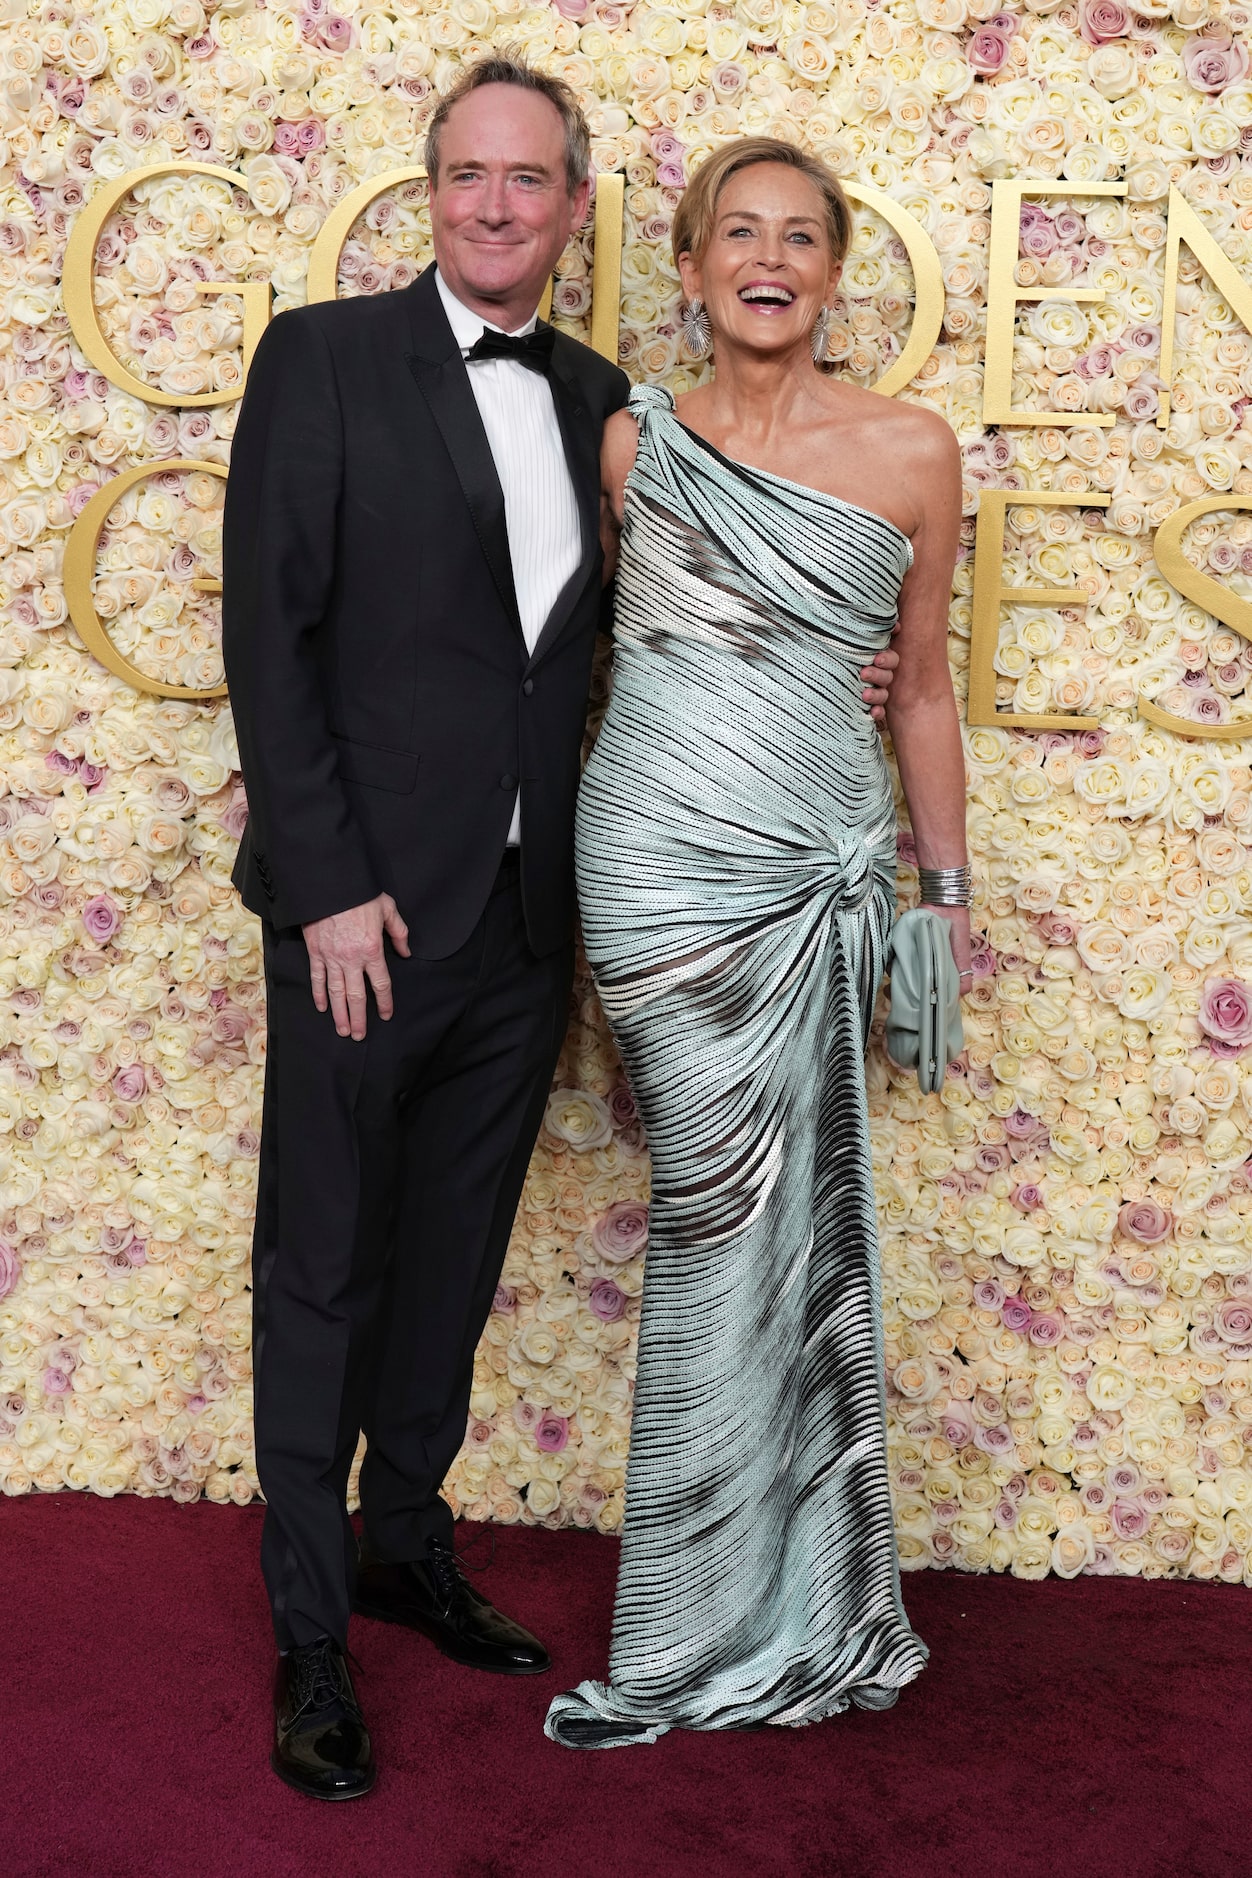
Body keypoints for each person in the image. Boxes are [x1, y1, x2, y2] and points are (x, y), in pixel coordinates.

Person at [224, 59, 904, 1799]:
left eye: (531, 181)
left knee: (450, 1266)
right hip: (362, 917)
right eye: (468, 175)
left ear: (580, 209)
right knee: (324, 1270)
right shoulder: (323, 358)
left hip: (542, 916)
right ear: (430, 188)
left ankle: (404, 1540)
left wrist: (858, 668)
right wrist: (323, 882)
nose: (497, 205)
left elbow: (712, 616)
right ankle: (310, 1633)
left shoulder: (617, 405)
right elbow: (268, 637)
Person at [546, 137, 970, 1749]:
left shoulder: (913, 449)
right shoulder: (631, 445)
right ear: (693, 264)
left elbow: (918, 683)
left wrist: (946, 891)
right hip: (658, 857)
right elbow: (569, 648)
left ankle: (790, 1597)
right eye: (741, 234)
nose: (770, 259)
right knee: (716, 1212)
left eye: (801, 236)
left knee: (799, 1223)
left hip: (819, 863)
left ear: (836, 268)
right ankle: (694, 1610)